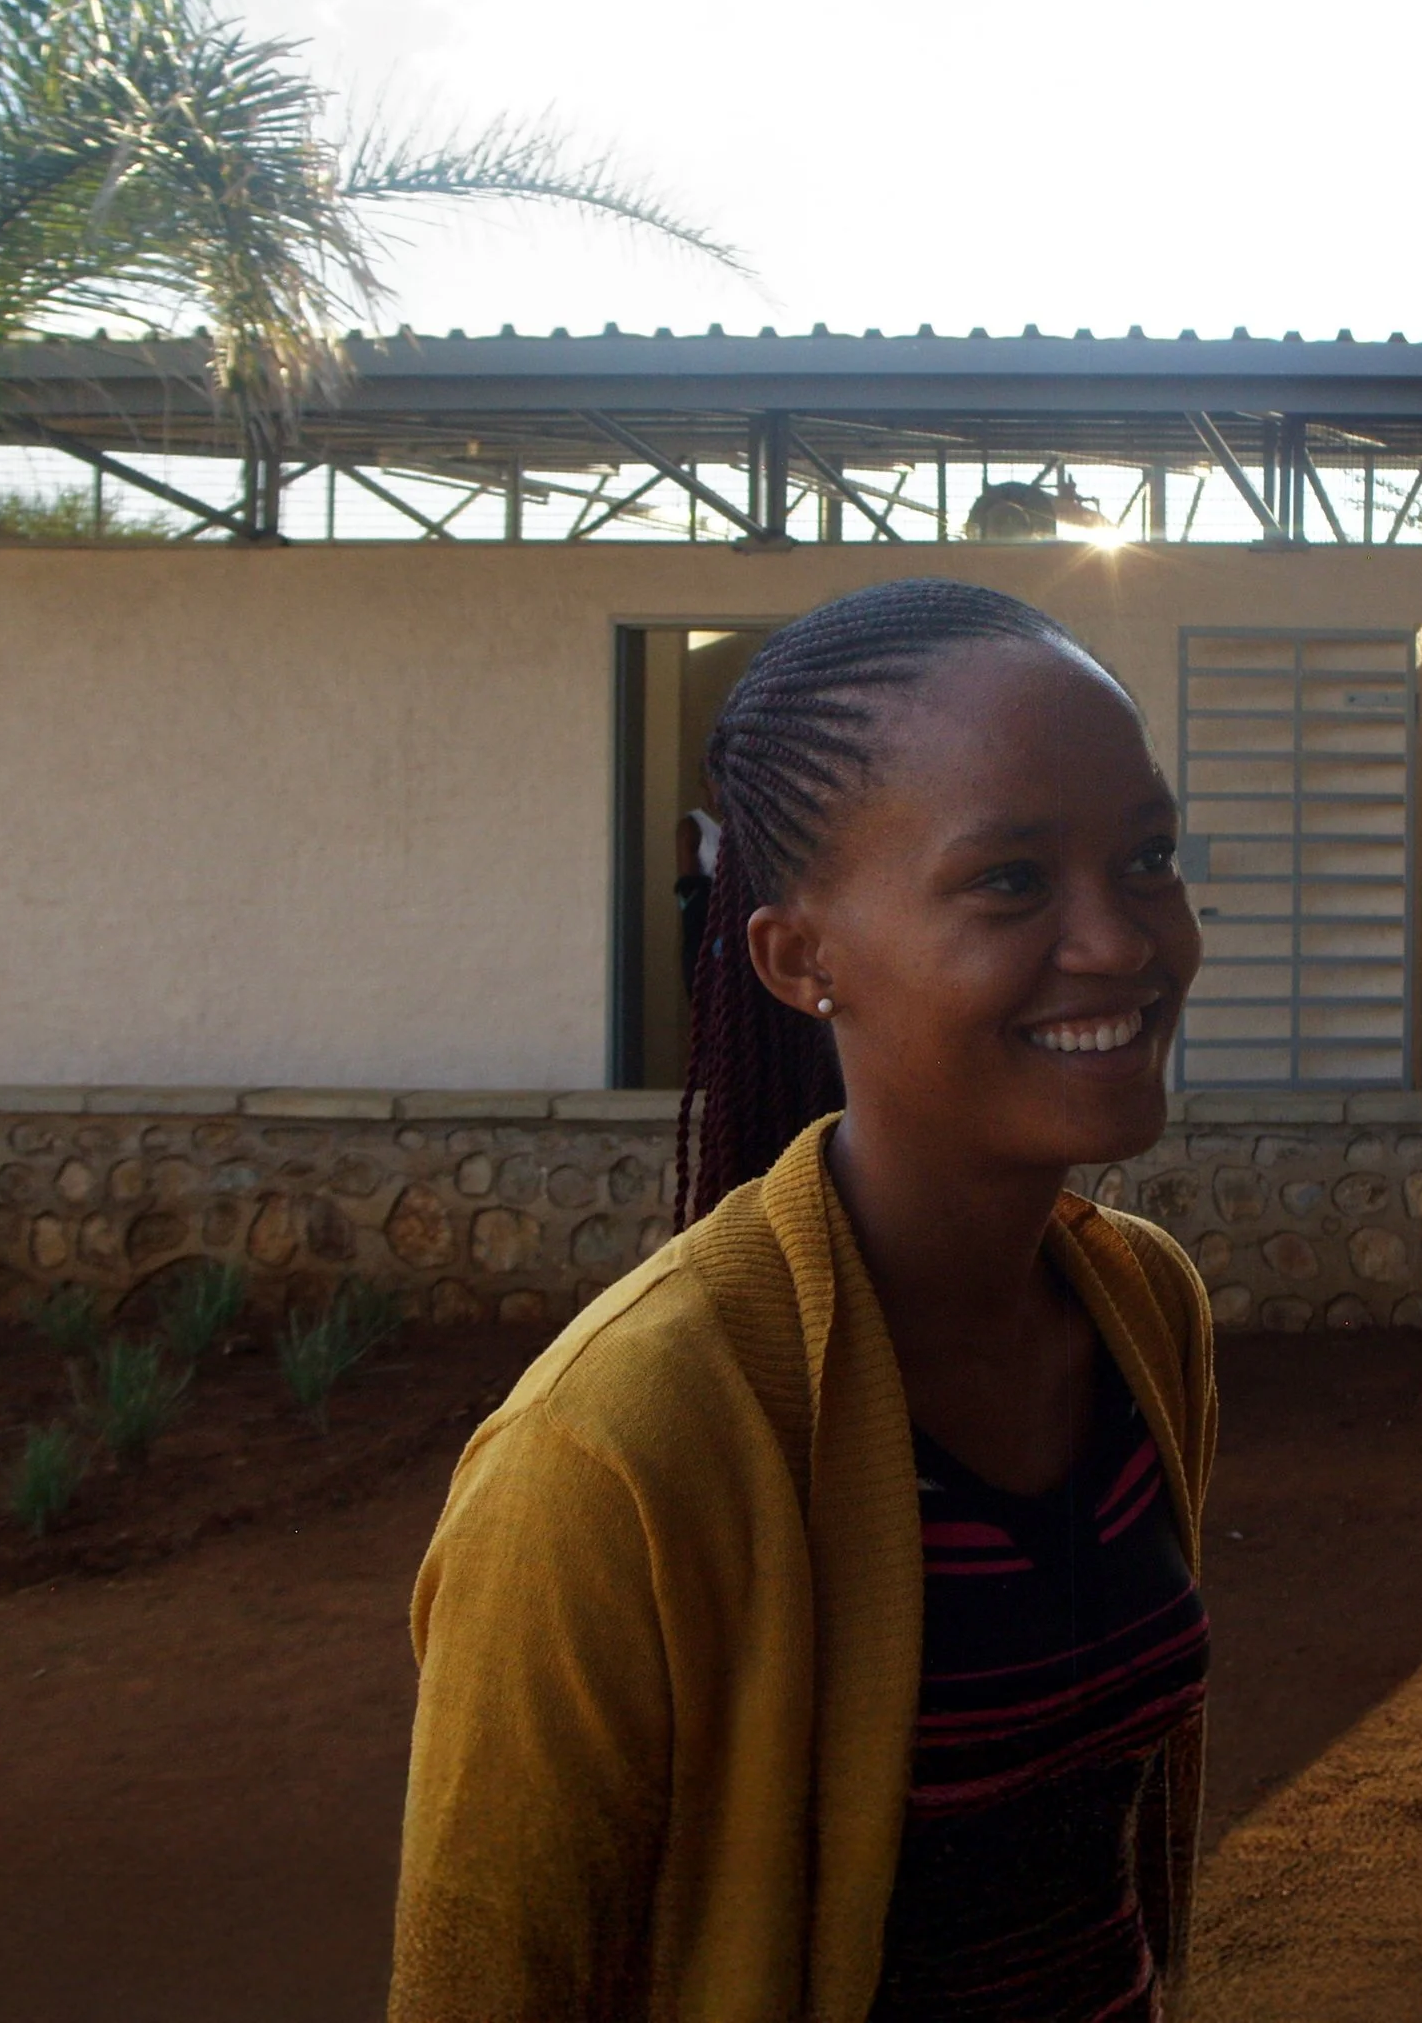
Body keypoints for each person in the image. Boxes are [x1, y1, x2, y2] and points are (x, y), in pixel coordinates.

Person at [393, 580, 1217, 2023]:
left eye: (1148, 856)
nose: (1125, 939)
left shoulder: (1143, 1313)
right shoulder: (612, 1461)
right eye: (1014, 880)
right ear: (797, 958)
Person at [674, 776, 722, 993]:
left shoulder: (745, 823)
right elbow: (689, 890)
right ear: (704, 781)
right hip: (708, 925)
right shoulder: (692, 827)